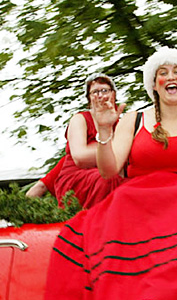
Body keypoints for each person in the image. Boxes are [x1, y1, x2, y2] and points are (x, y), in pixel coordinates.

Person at [44, 48, 177, 300]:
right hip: (137, 195)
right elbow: (109, 170)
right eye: (162, 72)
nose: (170, 77)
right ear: (154, 83)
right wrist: (106, 132)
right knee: (114, 208)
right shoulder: (134, 119)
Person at [51, 73, 126, 209]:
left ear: (113, 95)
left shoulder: (123, 123)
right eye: (95, 92)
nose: (100, 95)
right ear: (89, 98)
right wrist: (115, 149)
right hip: (78, 178)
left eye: (105, 90)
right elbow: (80, 157)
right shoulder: (80, 119)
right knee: (108, 180)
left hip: (111, 173)